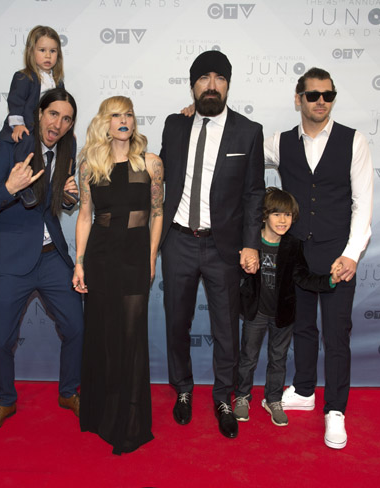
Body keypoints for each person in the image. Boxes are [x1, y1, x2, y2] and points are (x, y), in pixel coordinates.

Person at [265, 67, 373, 449]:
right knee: (304, 327)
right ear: (299, 99)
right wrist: (198, 118)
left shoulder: (354, 140)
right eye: (313, 95)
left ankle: (336, 411)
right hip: (296, 253)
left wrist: (352, 254)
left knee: (336, 334)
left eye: (328, 95)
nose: (321, 101)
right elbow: (240, 148)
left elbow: (363, 203)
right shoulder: (279, 142)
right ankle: (305, 390)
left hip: (337, 255)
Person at [159, 50, 265, 439]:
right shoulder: (174, 125)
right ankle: (183, 389)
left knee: (225, 328)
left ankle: (223, 398)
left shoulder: (248, 131)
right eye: (204, 78)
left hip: (225, 247)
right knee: (176, 322)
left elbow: (254, 193)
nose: (212, 85)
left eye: (219, 78)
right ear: (193, 86)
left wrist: (251, 244)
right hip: (178, 241)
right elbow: (157, 175)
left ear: (228, 84)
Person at [0, 88, 83, 435]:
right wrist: (9, 187)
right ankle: (5, 401)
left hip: (52, 258)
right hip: (12, 260)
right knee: (1, 340)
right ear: (39, 114)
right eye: (53, 114)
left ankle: (68, 392)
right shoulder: (9, 145)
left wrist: (69, 198)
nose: (59, 124)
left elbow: (54, 201)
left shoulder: (68, 147)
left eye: (67, 119)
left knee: (77, 328)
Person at [72, 96, 164, 454]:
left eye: (128, 114)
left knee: (131, 337)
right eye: (115, 115)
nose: (123, 120)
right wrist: (79, 262)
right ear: (105, 122)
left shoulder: (151, 163)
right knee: (104, 336)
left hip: (135, 256)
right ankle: (102, 417)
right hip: (101, 256)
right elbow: (85, 216)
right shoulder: (90, 165)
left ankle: (130, 421)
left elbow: (157, 213)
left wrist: (151, 257)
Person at [235, 188, 341, 428]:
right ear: (264, 216)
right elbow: (236, 274)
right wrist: (243, 265)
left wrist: (330, 280)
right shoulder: (250, 242)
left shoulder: (293, 245)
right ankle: (242, 396)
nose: (283, 220)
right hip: (255, 312)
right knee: (248, 357)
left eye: (288, 215)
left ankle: (273, 399)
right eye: (277, 214)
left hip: (282, 315)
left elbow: (303, 277)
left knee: (278, 359)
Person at [0, 25, 65, 163]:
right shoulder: (23, 77)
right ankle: (22, 169)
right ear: (31, 51)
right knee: (27, 139)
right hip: (28, 127)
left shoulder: (58, 81)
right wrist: (18, 125)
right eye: (42, 50)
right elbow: (16, 103)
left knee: (68, 142)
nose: (48, 55)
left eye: (52, 51)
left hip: (46, 129)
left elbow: (63, 108)